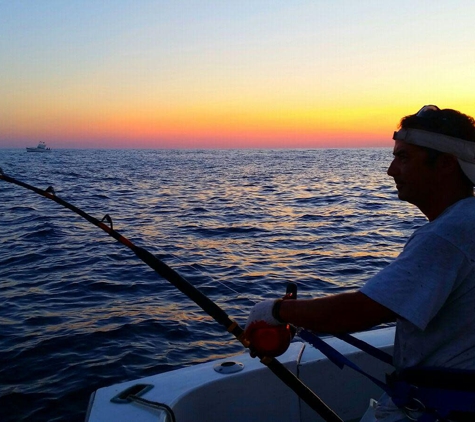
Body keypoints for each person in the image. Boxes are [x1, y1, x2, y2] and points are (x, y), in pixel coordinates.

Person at [244, 105, 475, 422]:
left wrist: (275, 312)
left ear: (447, 164)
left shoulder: (446, 236)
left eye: (404, 158)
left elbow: (358, 311)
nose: (391, 170)